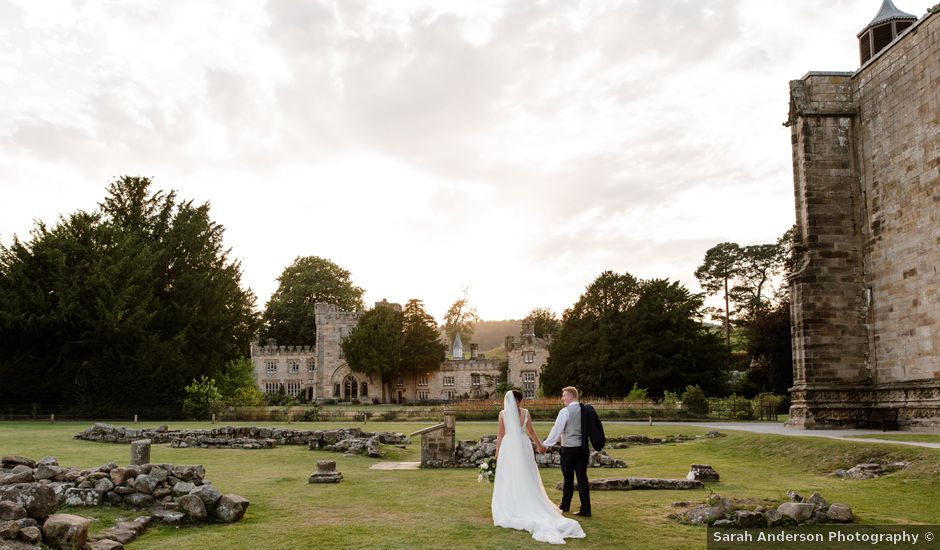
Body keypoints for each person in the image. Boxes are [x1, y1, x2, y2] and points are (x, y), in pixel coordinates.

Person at [492, 390, 585, 545]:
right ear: (520, 401)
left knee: (509, 476)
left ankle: (512, 505)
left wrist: (497, 452)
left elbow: (500, 434)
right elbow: (531, 432)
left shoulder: (502, 414)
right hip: (523, 445)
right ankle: (525, 501)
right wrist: (540, 445)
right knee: (526, 475)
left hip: (509, 447)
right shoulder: (526, 412)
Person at [542, 386, 591, 517]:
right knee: (582, 478)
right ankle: (586, 509)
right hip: (583, 448)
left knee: (568, 478)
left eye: (564, 395)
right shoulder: (586, 410)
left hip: (569, 449)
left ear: (570, 396)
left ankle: (565, 505)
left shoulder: (565, 411)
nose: (562, 398)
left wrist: (546, 444)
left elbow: (557, 430)